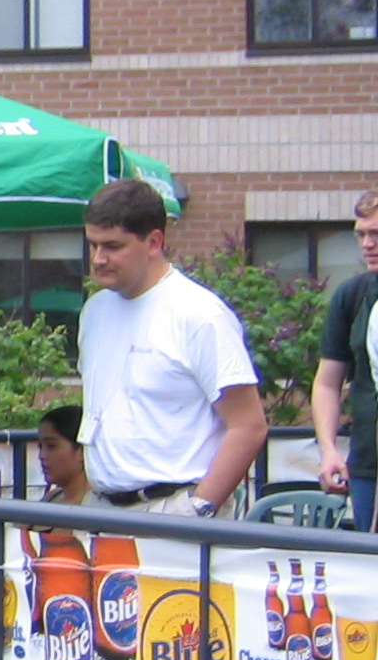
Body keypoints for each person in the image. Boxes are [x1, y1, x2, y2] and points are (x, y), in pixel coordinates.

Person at [77, 179, 267, 517]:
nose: (98, 258)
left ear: (154, 242)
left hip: (173, 509)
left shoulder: (200, 314)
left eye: (113, 246)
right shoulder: (95, 310)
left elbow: (249, 425)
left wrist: (199, 507)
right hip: (102, 508)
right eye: (92, 245)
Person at [313, 192, 378, 531]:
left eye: (376, 234)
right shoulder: (353, 295)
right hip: (366, 466)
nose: (367, 244)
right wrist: (329, 450)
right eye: (361, 234)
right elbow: (327, 382)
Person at [35, 404, 91, 506]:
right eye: (40, 446)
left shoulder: (101, 508)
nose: (41, 456)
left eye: (51, 446)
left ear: (82, 450)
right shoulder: (52, 497)